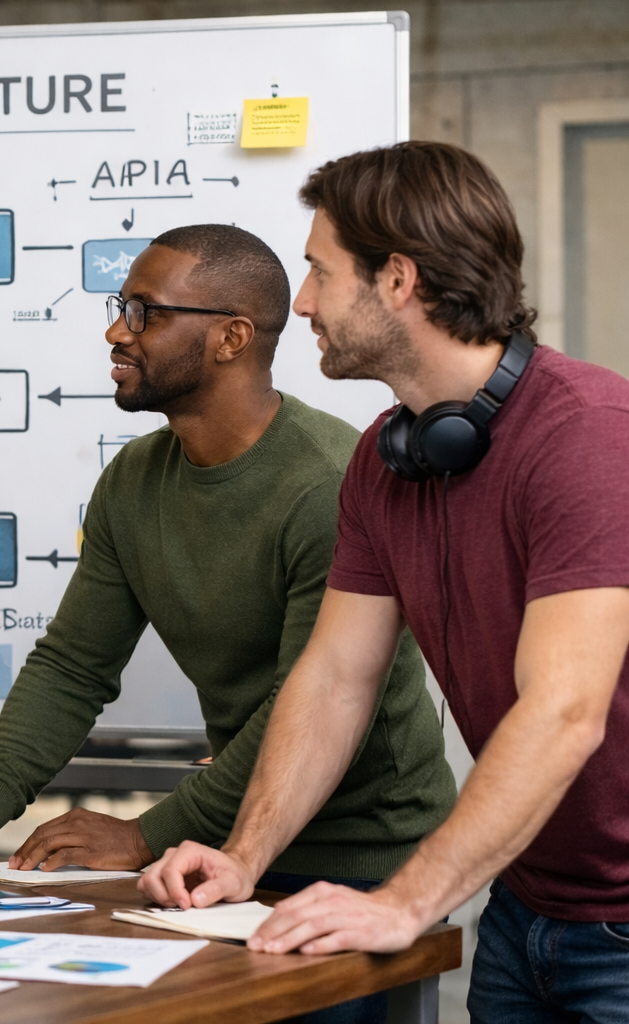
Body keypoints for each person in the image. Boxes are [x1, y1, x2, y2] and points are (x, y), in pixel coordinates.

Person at [139, 143, 629, 1021]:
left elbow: (564, 712)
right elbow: (333, 681)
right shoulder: (384, 457)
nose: (303, 302)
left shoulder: (588, 436)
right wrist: (244, 857)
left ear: (397, 279)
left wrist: (405, 901)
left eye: (321, 273)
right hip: (528, 907)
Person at [0, 225, 454, 897]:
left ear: (231, 338)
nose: (116, 334)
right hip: (222, 847)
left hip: (362, 857)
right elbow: (72, 666)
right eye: (120, 310)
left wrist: (148, 834)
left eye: (143, 313)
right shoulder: (134, 477)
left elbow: (312, 700)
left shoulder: (328, 483)